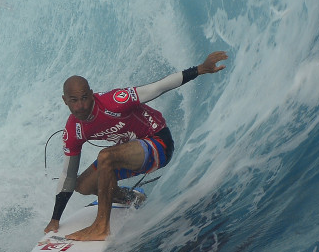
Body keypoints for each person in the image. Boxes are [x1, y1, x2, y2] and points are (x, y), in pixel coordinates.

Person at [45, 51, 229, 242]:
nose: (80, 106)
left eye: (84, 98)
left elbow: (158, 88)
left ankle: (101, 228)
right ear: (65, 100)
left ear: (92, 95)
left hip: (158, 143)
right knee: (82, 185)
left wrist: (200, 69)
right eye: (74, 100)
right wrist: (54, 220)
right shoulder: (74, 129)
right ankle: (128, 198)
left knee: (105, 156)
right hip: (130, 153)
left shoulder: (114, 101)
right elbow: (68, 176)